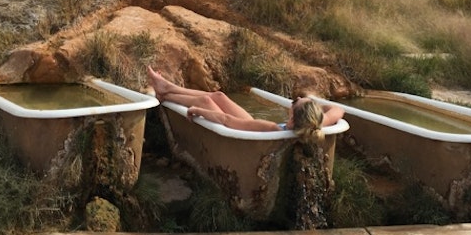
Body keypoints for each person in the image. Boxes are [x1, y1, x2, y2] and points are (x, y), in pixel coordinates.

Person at [147, 66, 344, 140]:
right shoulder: (315, 124)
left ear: (291, 119)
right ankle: (166, 87)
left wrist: (198, 110)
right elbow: (339, 110)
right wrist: (316, 110)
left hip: (243, 131)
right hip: (249, 125)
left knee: (205, 100)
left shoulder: (272, 128)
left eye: (295, 102)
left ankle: (165, 95)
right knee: (219, 96)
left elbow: (226, 120)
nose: (297, 99)